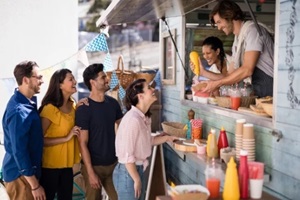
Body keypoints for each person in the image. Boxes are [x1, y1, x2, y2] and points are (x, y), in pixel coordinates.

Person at [113, 79, 178, 200]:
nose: (153, 89)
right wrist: (136, 178)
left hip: (135, 171)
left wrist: (167, 138)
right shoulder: (133, 119)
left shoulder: (144, 117)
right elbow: (127, 155)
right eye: (149, 88)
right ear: (140, 96)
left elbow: (149, 141)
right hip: (128, 173)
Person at [200, 0, 274, 97]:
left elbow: (247, 69)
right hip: (258, 88)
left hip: (270, 87)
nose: (218, 28)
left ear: (229, 15)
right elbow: (229, 76)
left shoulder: (252, 31)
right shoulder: (237, 41)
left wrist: (218, 83)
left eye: (219, 22)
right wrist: (204, 73)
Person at [75, 63, 123, 200]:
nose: (107, 80)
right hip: (93, 166)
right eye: (103, 77)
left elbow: (124, 128)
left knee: (120, 197)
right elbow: (82, 143)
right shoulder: (84, 109)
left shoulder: (113, 103)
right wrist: (90, 173)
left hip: (114, 165)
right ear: (93, 82)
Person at [2, 61, 46, 200]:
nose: (42, 81)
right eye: (38, 77)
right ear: (26, 80)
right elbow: (19, 150)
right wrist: (34, 185)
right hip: (21, 179)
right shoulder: (19, 111)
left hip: (27, 176)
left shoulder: (27, 102)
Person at [38, 69, 81, 200]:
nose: (75, 81)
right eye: (70, 79)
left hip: (67, 167)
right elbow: (39, 140)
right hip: (50, 167)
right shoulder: (50, 109)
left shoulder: (73, 105)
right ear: (60, 85)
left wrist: (82, 106)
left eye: (74, 78)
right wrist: (66, 138)